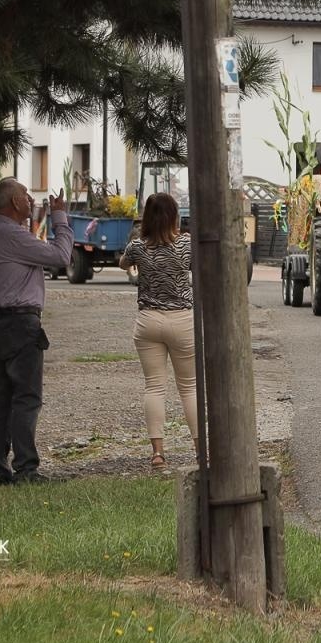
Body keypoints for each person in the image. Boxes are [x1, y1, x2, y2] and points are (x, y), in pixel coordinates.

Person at [0, 178, 71, 485]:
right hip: (20, 324)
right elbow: (60, 257)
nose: (31, 200)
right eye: (26, 196)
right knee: (26, 397)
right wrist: (60, 218)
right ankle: (26, 468)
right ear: (15, 202)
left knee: (1, 396)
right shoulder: (10, 235)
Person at [118, 193, 198, 469]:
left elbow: (123, 265)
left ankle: (158, 454)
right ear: (175, 216)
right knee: (189, 388)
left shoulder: (137, 246)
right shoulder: (186, 244)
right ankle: (202, 452)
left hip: (148, 321)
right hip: (181, 320)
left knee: (154, 386)